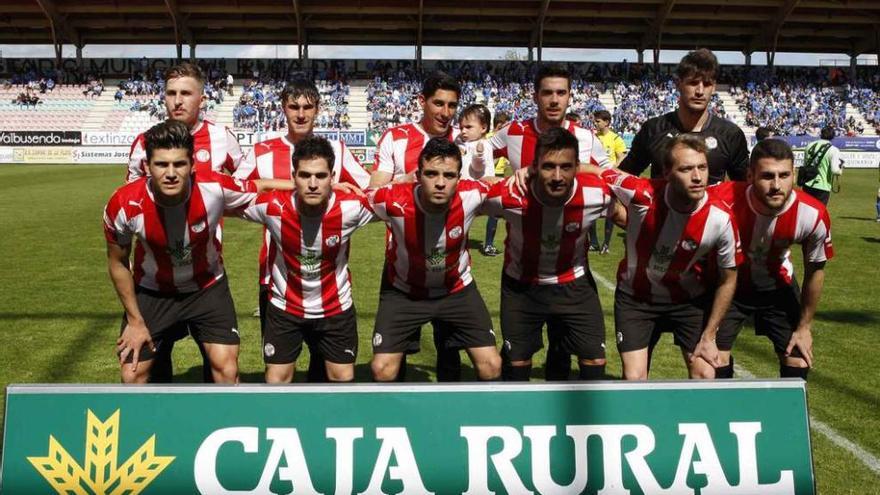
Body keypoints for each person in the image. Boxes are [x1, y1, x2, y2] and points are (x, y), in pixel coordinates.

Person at [103, 121, 288, 384]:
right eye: (161, 164)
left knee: (226, 370)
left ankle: (223, 422)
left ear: (192, 165)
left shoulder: (214, 188)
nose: (171, 173)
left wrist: (326, 188)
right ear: (146, 167)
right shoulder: (124, 205)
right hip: (153, 291)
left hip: (207, 287)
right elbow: (118, 263)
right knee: (132, 375)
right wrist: (135, 320)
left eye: (179, 164)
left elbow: (260, 186)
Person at [233, 78, 371, 382]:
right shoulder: (262, 151)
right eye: (294, 106)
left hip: (327, 273)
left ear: (318, 109)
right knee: (281, 365)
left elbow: (368, 189)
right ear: (283, 107)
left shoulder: (335, 149)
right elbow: (237, 189)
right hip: (276, 276)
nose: (300, 114)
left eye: (308, 107)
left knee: (325, 368)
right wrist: (289, 185)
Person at [125, 62, 249, 384]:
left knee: (222, 368)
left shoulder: (222, 138)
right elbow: (133, 199)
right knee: (141, 370)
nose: (177, 101)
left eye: (186, 93)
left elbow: (244, 186)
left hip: (205, 272)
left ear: (202, 98)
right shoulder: (144, 143)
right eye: (171, 93)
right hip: (153, 277)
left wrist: (212, 209)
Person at [586, 134, 741, 380]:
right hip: (636, 300)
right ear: (667, 172)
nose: (698, 177)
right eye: (687, 169)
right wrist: (529, 172)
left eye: (702, 167)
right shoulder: (641, 193)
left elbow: (728, 279)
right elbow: (594, 170)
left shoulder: (721, 218)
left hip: (688, 301)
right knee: (635, 380)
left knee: (706, 374)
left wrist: (710, 335)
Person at [490, 64, 611, 379]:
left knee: (562, 352)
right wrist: (501, 178)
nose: (554, 100)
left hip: (571, 268)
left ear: (570, 96)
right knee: (518, 360)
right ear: (535, 96)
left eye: (561, 93)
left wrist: (549, 169)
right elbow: (472, 158)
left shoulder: (584, 136)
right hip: (523, 263)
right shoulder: (514, 132)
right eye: (547, 93)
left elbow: (610, 175)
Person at [368, 138, 502, 382]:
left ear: (459, 178)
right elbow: (357, 199)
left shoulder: (473, 194)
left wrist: (522, 175)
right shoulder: (391, 199)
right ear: (417, 175)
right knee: (382, 369)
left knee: (491, 366)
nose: (440, 183)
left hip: (456, 290)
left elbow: (513, 191)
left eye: (449, 175)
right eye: (431, 174)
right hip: (404, 292)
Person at [368, 72, 464, 381]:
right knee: (393, 361)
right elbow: (374, 191)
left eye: (451, 105)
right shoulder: (396, 137)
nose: (445, 113)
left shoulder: (464, 140)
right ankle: (397, 421)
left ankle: (451, 419)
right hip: (402, 265)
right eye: (438, 103)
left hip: (450, 267)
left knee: (450, 352)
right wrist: (408, 179)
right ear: (422, 101)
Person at [711, 139, 833, 380]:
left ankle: (786, 417)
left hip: (778, 287)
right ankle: (722, 414)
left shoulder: (812, 214)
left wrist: (804, 326)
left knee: (798, 358)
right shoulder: (721, 199)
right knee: (713, 361)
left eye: (784, 175)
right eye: (767, 176)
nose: (777, 185)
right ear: (749, 175)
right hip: (728, 288)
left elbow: (815, 271)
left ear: (794, 174)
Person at [619, 48, 749, 184]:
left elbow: (746, 187)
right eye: (693, 83)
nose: (700, 91)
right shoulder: (653, 129)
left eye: (707, 84)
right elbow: (624, 176)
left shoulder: (730, 134)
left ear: (714, 87)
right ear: (678, 84)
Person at [591, 109, 627, 254]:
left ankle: (606, 243)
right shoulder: (593, 137)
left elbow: (621, 156)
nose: (595, 123)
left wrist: (613, 169)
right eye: (595, 120)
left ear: (606, 122)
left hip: (609, 180)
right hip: (594, 178)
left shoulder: (615, 138)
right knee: (591, 210)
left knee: (611, 211)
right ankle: (593, 242)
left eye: (598, 121)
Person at [481, 111, 510, 257]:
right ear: (499, 125)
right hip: (493, 178)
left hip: (491, 177)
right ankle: (488, 245)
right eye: (506, 126)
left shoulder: (488, 138)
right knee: (494, 213)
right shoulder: (493, 140)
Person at [799, 126, 843, 206]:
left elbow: (805, 164)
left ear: (821, 134)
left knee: (806, 212)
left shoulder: (810, 145)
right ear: (833, 136)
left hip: (807, 183)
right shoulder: (833, 150)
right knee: (819, 214)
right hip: (822, 186)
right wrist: (840, 169)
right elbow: (835, 170)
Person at [455, 104, 494, 180]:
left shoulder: (484, 145)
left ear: (483, 128)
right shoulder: (464, 143)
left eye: (468, 127)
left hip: (479, 188)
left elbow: (478, 168)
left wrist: (479, 155)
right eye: (461, 128)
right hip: (464, 187)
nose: (463, 131)